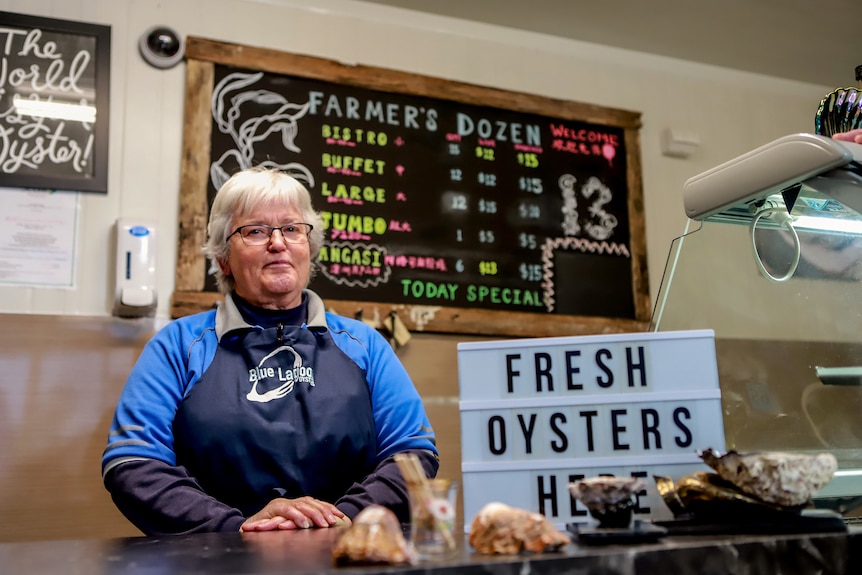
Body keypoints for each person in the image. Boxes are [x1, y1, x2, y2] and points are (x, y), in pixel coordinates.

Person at [102, 166, 439, 535]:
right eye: (256, 231)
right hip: (217, 558)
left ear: (309, 247)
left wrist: (337, 522)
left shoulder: (366, 345)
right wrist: (237, 528)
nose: (277, 243)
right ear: (222, 258)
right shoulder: (178, 345)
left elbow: (413, 455)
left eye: (292, 229)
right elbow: (133, 463)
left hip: (350, 551)